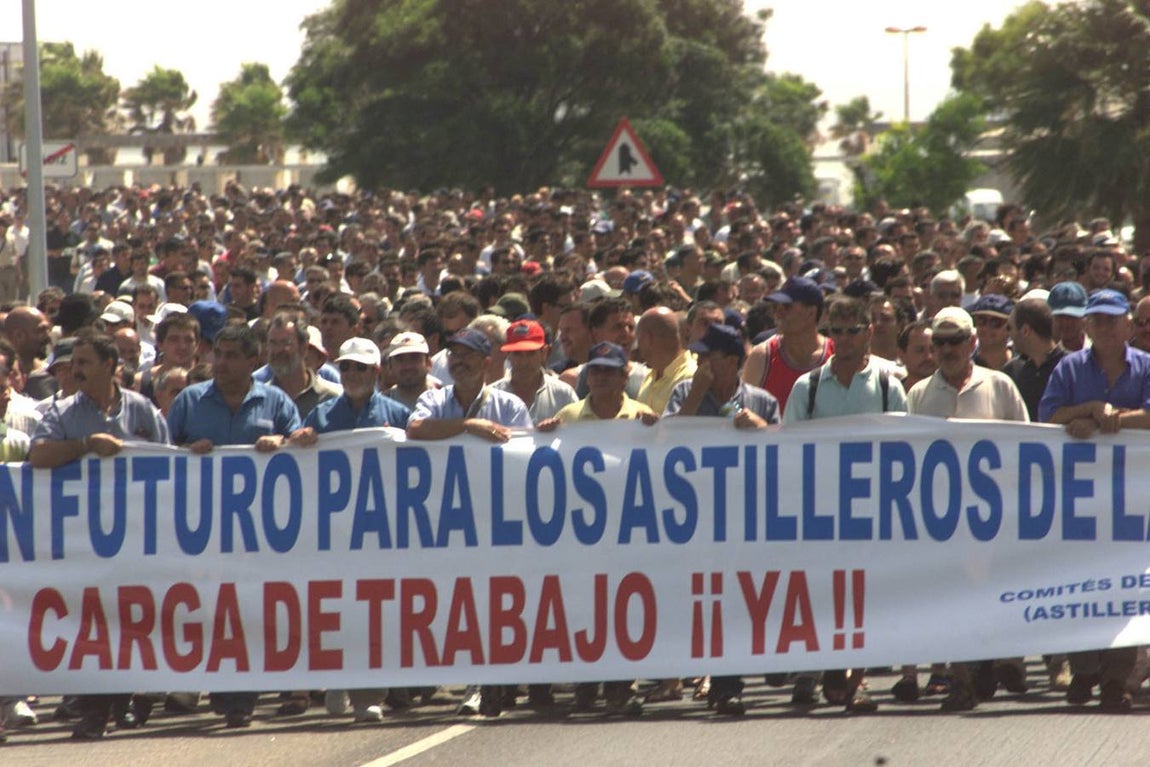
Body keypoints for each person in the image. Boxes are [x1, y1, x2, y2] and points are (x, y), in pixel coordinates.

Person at [28, 330, 170, 739]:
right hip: (85, 540)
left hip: (139, 536)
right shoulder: (65, 413)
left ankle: (123, 702)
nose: (76, 370)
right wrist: (86, 444)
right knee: (94, 621)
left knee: (131, 619)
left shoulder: (143, 411)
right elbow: (39, 455)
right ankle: (94, 711)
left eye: (85, 362)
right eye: (74, 363)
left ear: (110, 366)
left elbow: (169, 463)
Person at [165, 323, 303, 728]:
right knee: (208, 608)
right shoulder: (190, 401)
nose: (220, 363)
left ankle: (241, 696)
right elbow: (159, 455)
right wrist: (186, 453)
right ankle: (217, 687)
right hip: (200, 532)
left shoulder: (274, 401)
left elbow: (302, 445)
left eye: (230, 356)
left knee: (248, 610)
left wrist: (284, 444)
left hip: (259, 533)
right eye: (218, 354)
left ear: (252, 360)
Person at [906, 306, 1029, 712]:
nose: (945, 349)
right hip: (942, 518)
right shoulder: (919, 394)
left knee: (993, 596)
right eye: (938, 342)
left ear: (972, 342)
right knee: (950, 599)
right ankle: (961, 681)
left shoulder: (1000, 386)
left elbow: (1028, 447)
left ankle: (1000, 659)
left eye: (954, 340)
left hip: (994, 518)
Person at [406, 327, 531, 718]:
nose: (459, 362)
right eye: (454, 355)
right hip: (445, 521)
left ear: (486, 362)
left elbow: (523, 454)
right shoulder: (434, 399)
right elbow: (415, 430)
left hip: (496, 520)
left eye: (468, 355)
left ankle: (487, 683)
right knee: (453, 602)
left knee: (493, 602)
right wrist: (466, 427)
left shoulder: (509, 406)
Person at [1038, 289, 1150, 712]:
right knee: (1080, 585)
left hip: (1133, 501)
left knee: (1126, 589)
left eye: (1110, 319)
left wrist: (1108, 420)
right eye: (1096, 320)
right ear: (1086, 326)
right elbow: (1049, 416)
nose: (1103, 327)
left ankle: (1116, 679)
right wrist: (1087, 407)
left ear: (1127, 324)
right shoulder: (1069, 368)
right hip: (1078, 501)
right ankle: (1084, 671)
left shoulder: (1146, 368)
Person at [291, 337, 411, 723]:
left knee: (375, 612)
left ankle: (369, 694)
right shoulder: (321, 416)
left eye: (360, 368)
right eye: (346, 368)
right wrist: (299, 441)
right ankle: (337, 678)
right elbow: (295, 464)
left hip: (381, 532)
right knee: (335, 610)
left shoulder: (397, 413)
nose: (352, 375)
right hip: (333, 533)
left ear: (377, 373)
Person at [662, 322, 779, 716]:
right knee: (702, 597)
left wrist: (761, 429)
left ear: (730, 361)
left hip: (744, 517)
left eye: (707, 356)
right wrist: (695, 394)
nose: (699, 362)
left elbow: (786, 454)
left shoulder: (761, 401)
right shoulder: (684, 392)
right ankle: (701, 672)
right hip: (695, 516)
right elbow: (664, 443)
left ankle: (729, 683)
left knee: (737, 597)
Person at [538, 341, 656, 716]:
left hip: (629, 532)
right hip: (582, 532)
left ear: (625, 376)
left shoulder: (643, 416)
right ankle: (587, 683)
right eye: (597, 370)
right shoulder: (569, 416)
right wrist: (545, 436)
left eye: (610, 370)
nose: (602, 377)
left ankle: (620, 684)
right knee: (586, 606)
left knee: (624, 608)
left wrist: (659, 433)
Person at [741, 276, 833, 413]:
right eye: (775, 307)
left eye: (787, 307)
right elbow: (743, 411)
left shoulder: (836, 354)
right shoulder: (762, 356)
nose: (777, 313)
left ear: (811, 312)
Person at [491, 319, 578, 422]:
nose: (524, 362)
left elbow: (580, 431)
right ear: (507, 355)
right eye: (517, 354)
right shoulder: (491, 396)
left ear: (544, 353)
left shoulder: (563, 394)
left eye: (531, 353)